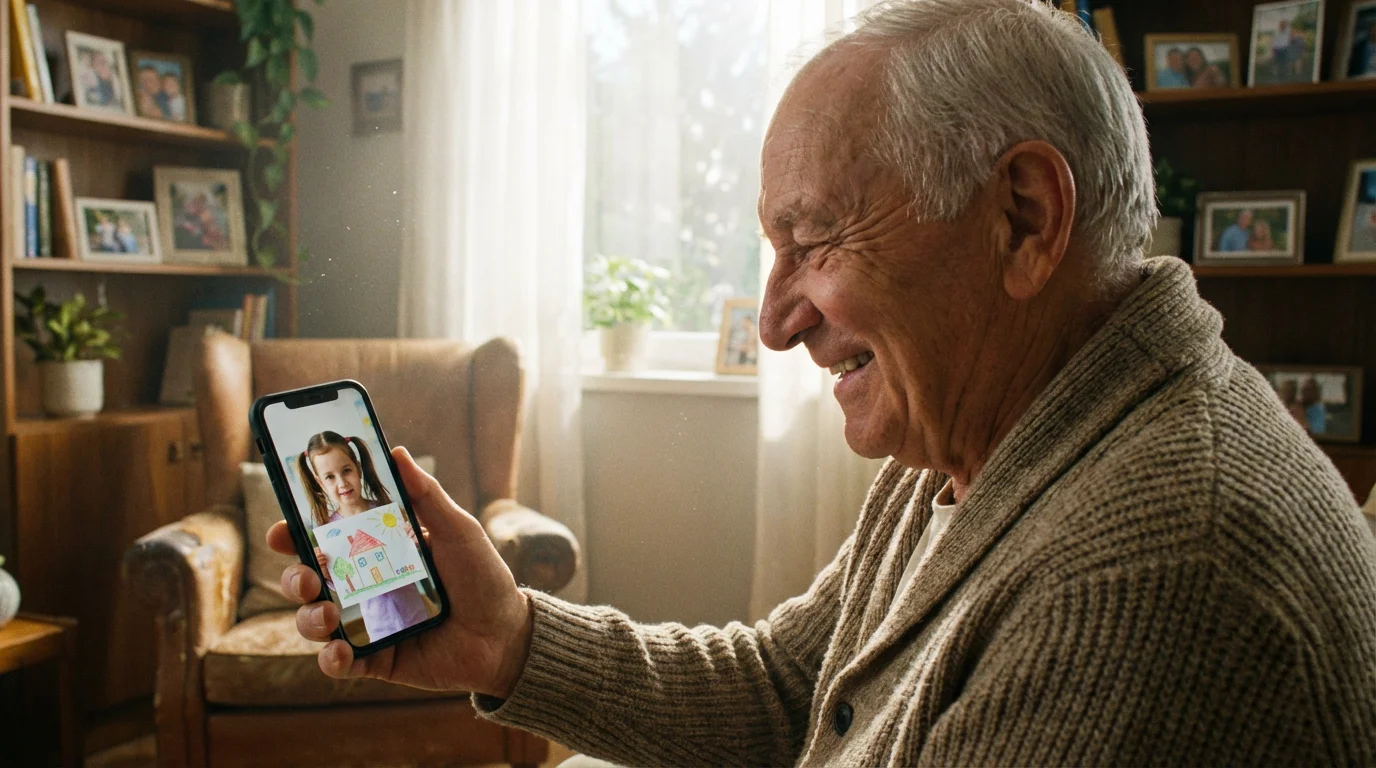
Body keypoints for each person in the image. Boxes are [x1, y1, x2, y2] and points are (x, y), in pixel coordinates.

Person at [271, 1, 1376, 764]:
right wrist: (510, 637)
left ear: (1023, 217)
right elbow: (793, 690)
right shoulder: (986, 436)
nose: (773, 320)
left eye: (814, 241)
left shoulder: (1149, 572)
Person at [295, 430, 431, 642]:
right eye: (330, 477)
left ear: (358, 468)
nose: (342, 483)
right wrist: (326, 574)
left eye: (346, 470)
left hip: (416, 615)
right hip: (378, 627)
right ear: (320, 483)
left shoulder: (387, 514)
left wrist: (418, 542)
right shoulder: (329, 532)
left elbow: (412, 558)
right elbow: (344, 583)